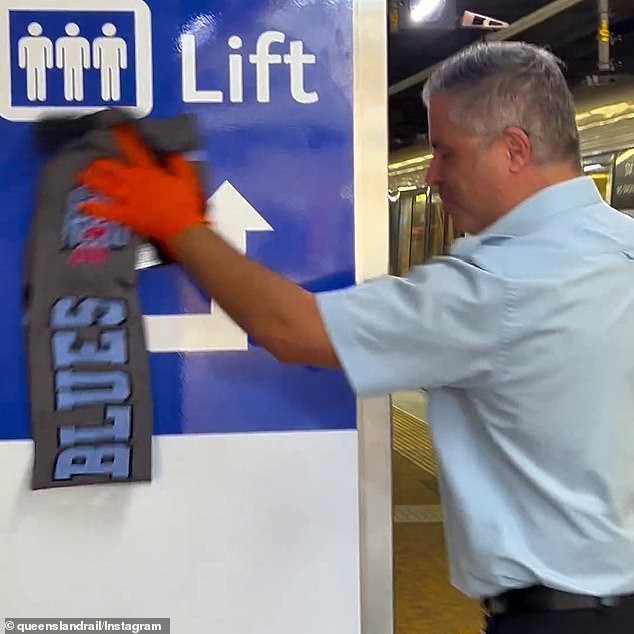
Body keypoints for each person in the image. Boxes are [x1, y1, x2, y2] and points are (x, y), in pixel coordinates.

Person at [80, 41, 634, 634]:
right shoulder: (618, 246)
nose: (433, 173)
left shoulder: (497, 290)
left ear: (515, 149)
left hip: (561, 619)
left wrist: (178, 225)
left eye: (446, 153)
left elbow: (293, 331)